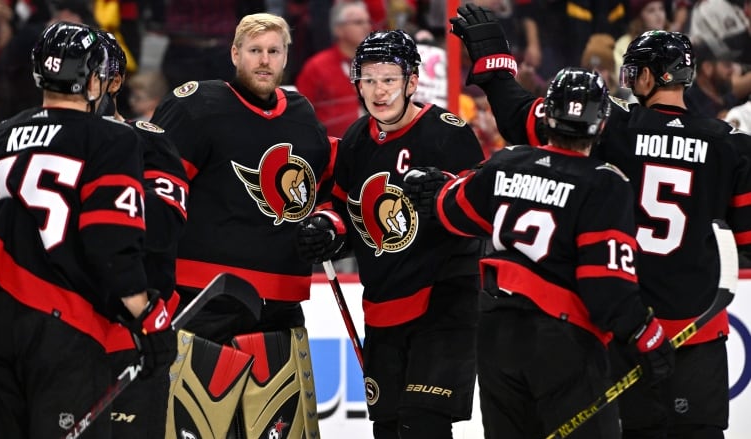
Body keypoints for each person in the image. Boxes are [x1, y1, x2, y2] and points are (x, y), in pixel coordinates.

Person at [450, 4, 751, 437]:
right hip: (697, 334)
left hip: (624, 330)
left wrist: (494, 64)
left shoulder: (613, 125)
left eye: (635, 74)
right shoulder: (731, 145)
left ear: (652, 76)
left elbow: (523, 122)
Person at [401, 67, 675, 439]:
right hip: (561, 339)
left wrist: (437, 187)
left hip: (496, 332)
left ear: (546, 114)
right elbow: (606, 285)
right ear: (601, 123)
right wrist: (644, 332)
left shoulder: (506, 162)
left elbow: (453, 211)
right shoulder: (604, 181)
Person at [0, 21, 176, 438]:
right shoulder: (110, 139)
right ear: (92, 77)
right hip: (60, 325)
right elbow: (111, 241)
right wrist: (148, 315)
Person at [149, 12, 332, 438]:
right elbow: (156, 197)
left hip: (279, 308)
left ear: (286, 57)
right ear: (235, 54)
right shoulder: (197, 105)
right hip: (203, 299)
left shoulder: (303, 116)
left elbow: (327, 190)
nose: (264, 61)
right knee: (190, 425)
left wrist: (327, 224)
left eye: (273, 51)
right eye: (254, 51)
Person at [295, 29, 485, 439]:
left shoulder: (447, 132)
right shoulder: (356, 142)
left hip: (444, 298)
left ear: (412, 82)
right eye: (368, 80)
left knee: (422, 424)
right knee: (389, 429)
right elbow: (343, 210)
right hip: (382, 305)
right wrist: (328, 228)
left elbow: (482, 211)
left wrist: (446, 193)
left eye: (389, 80)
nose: (378, 91)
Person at [95, 30, 187, 438]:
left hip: (135, 334)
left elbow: (164, 227)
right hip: (61, 339)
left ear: (114, 82)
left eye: (88, 77)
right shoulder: (49, 142)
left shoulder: (148, 142)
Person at [295, 0, 371, 138]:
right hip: (329, 148)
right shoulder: (317, 66)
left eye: (368, 21)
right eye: (358, 22)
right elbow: (299, 115)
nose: (367, 27)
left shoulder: (378, 65)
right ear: (338, 29)